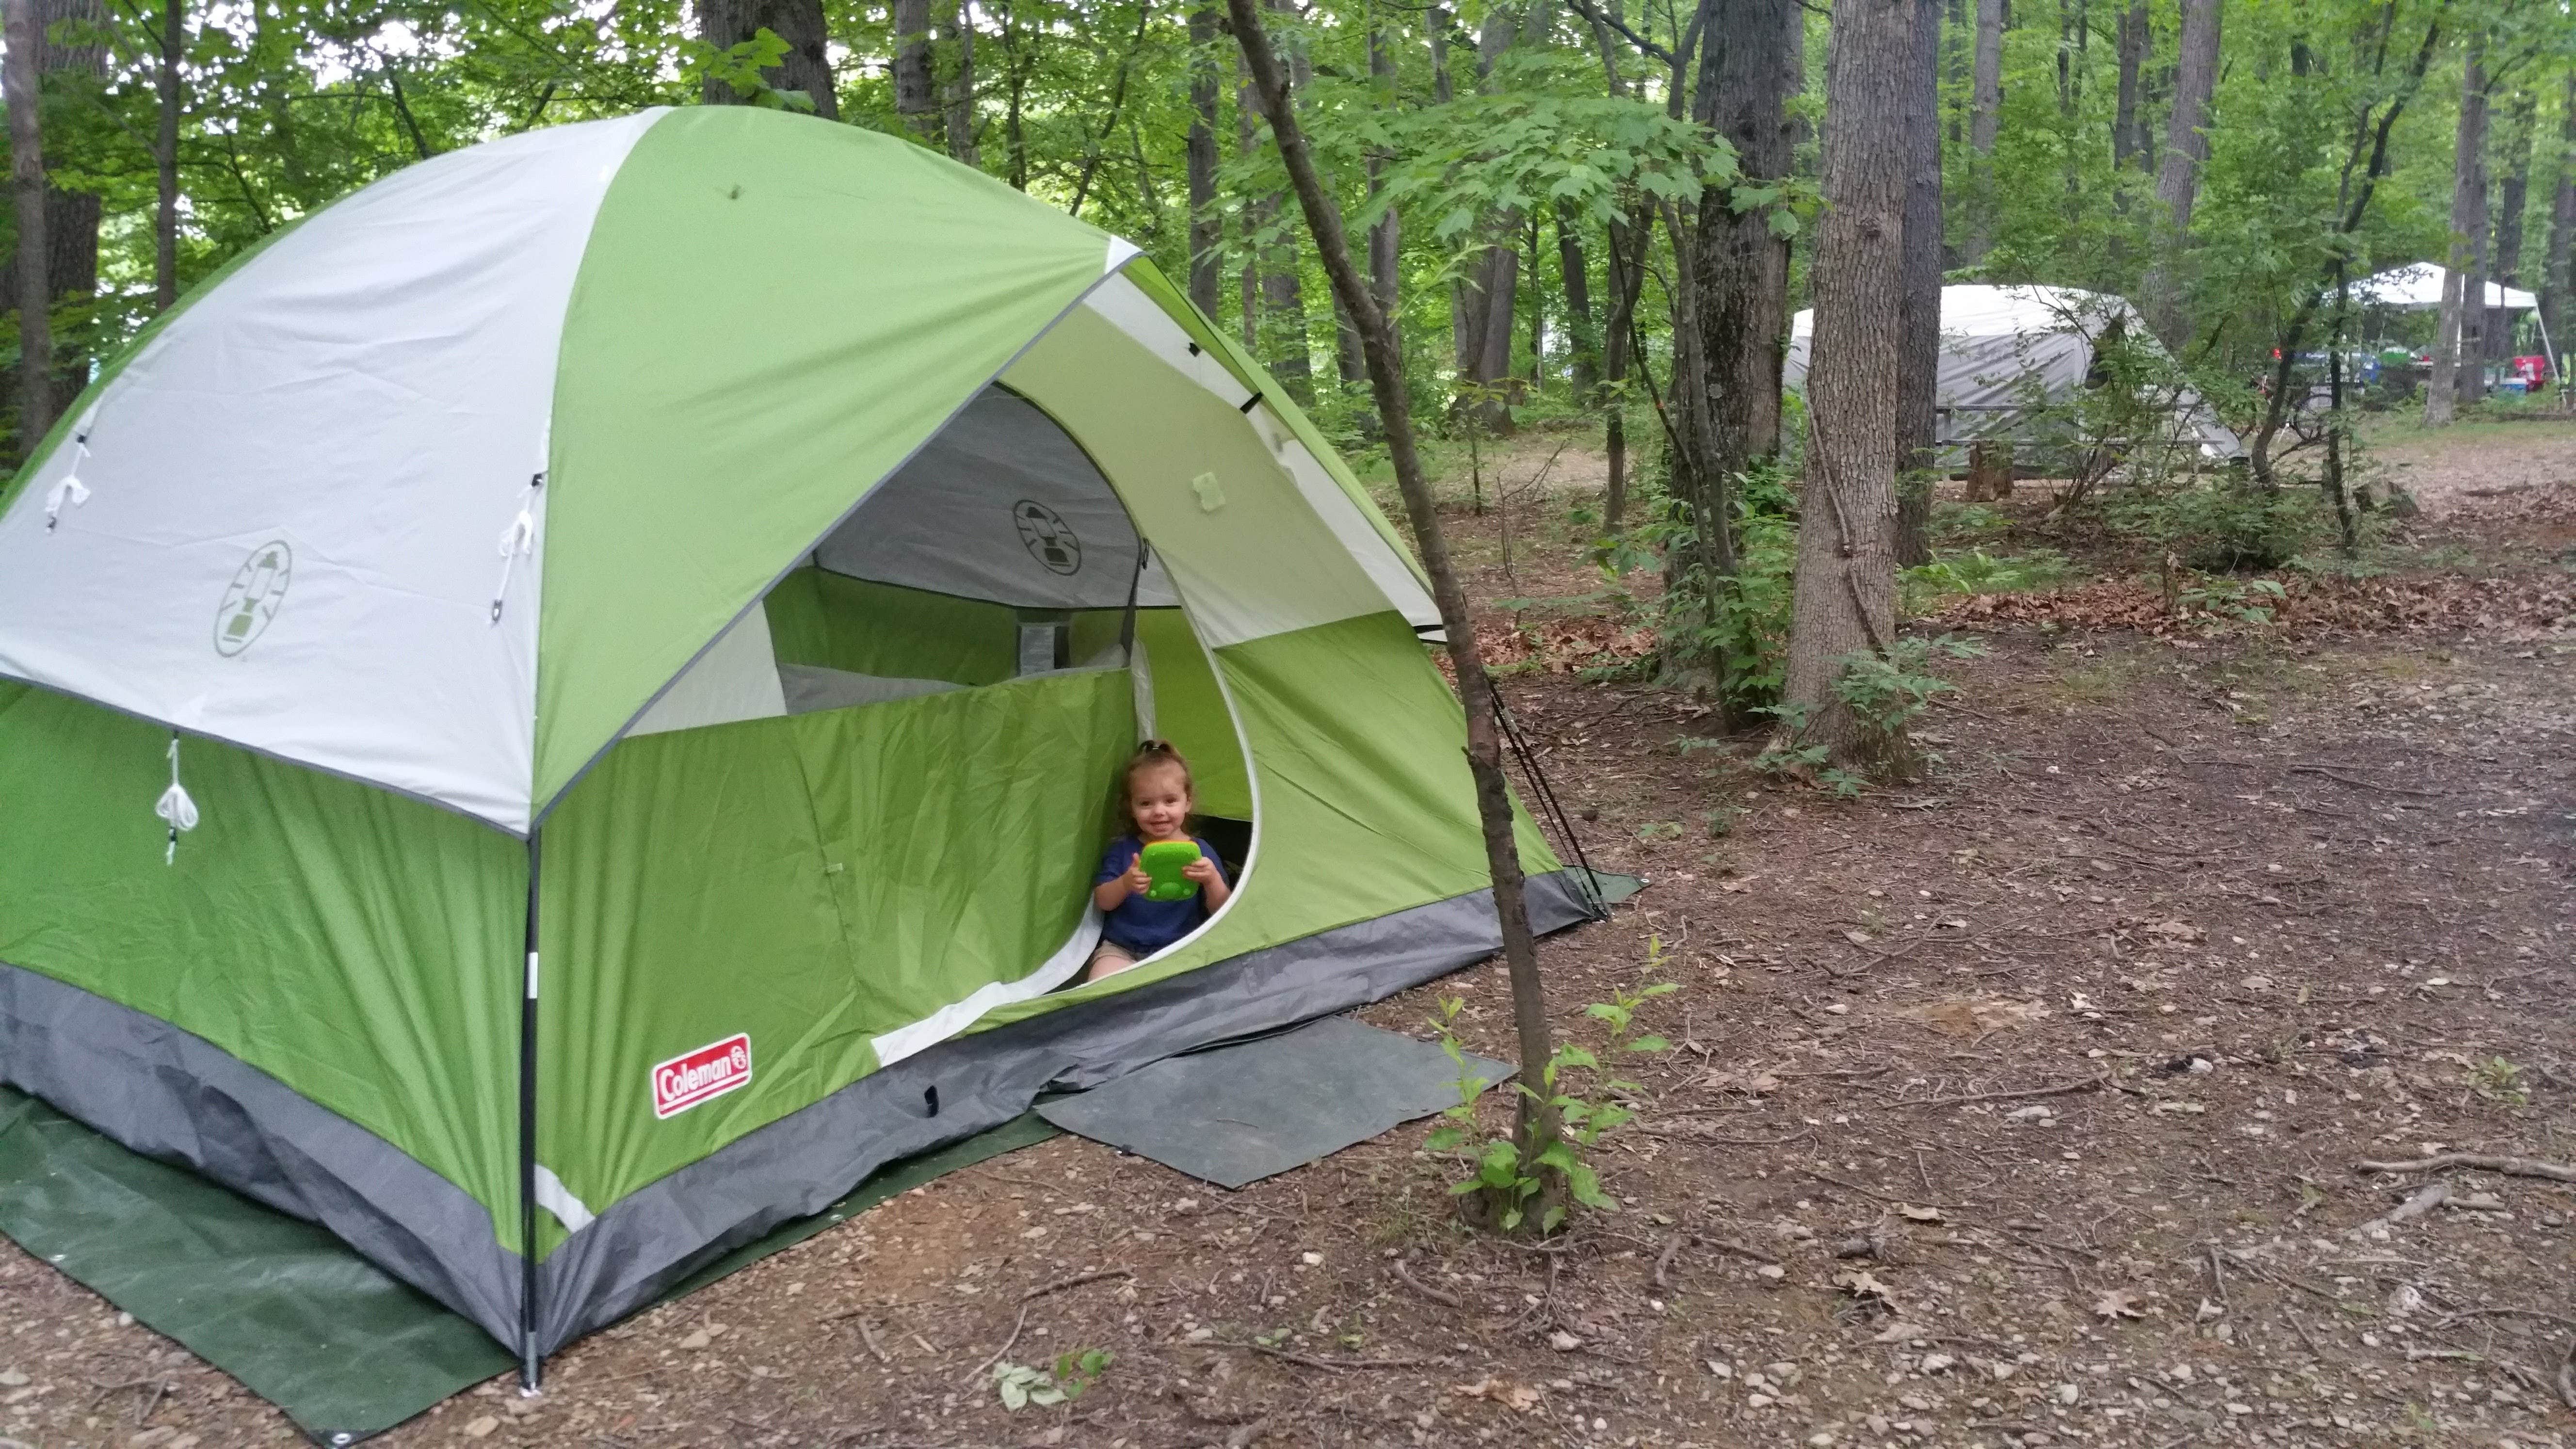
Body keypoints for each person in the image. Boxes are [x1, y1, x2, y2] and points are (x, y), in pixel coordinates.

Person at [1086, 740, 1231, 982]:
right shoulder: (1123, 850)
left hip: (1181, 947)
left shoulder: (1200, 852)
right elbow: (1103, 902)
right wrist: (1125, 883)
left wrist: (1212, 880)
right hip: (1123, 949)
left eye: (1170, 801)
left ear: (1188, 802)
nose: (1159, 812)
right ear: (1131, 808)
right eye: (1146, 803)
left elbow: (1223, 909)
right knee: (1100, 990)